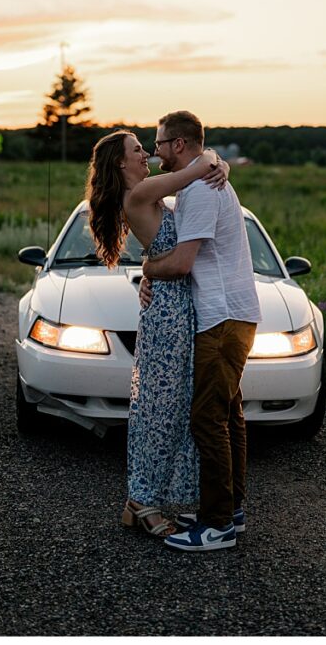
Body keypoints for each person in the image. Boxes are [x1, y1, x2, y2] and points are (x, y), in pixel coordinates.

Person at [85, 130, 228, 537]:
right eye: (137, 150)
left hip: (174, 305)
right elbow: (200, 165)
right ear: (120, 163)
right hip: (167, 311)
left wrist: (219, 164)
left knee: (172, 407)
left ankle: (148, 499)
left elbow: (202, 166)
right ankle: (141, 501)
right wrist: (218, 162)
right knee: (159, 411)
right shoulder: (141, 193)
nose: (146, 154)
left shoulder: (145, 195)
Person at [139, 110, 262, 552]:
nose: (154, 152)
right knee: (229, 415)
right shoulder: (199, 181)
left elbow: (183, 262)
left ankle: (216, 527)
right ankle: (231, 510)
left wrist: (147, 268)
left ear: (178, 144)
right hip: (232, 314)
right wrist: (212, 159)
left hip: (223, 317)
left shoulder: (201, 190)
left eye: (158, 144)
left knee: (207, 419)